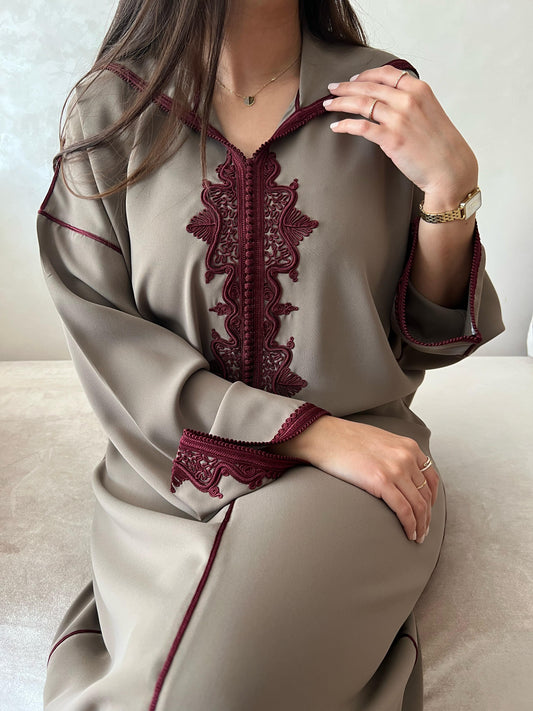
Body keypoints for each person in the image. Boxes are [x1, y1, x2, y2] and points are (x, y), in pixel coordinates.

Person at [36, 1, 504, 709]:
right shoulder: (111, 113)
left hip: (358, 477)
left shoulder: (379, 96)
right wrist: (308, 432)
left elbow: (430, 331)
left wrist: (450, 191)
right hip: (171, 480)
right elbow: (108, 340)